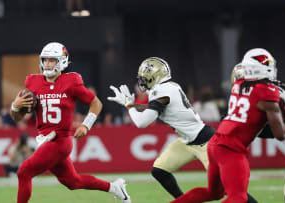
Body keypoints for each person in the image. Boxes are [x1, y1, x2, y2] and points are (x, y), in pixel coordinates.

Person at [107, 57, 258, 203]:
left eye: (145, 77)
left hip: (206, 142)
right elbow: (151, 108)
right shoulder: (169, 87)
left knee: (228, 189)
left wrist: (129, 105)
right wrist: (132, 105)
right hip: (188, 141)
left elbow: (141, 122)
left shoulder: (161, 91)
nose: (142, 81)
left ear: (154, 76)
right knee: (159, 170)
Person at [10, 42, 131, 203]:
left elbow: (96, 103)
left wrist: (86, 124)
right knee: (73, 182)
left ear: (61, 61)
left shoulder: (71, 81)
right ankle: (114, 188)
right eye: (45, 60)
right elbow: (17, 118)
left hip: (60, 141)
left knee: (23, 171)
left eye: (51, 60)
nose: (47, 64)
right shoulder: (33, 82)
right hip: (45, 140)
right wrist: (15, 106)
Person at [172, 48, 285, 203]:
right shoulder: (267, 91)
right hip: (232, 149)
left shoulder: (239, 84)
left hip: (215, 144)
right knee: (238, 198)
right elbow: (280, 134)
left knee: (213, 193)